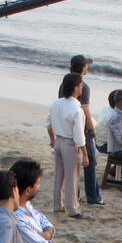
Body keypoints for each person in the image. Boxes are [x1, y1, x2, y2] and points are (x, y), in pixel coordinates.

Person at [45, 72, 90, 219]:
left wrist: (52, 140)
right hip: (70, 144)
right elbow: (79, 135)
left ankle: (58, 205)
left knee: (59, 175)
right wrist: (85, 153)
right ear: (75, 88)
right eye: (80, 85)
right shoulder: (77, 109)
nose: (82, 86)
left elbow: (48, 123)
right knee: (72, 177)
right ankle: (73, 209)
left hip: (59, 141)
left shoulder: (57, 103)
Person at [66, 55, 104, 207]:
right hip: (81, 128)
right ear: (83, 68)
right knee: (90, 162)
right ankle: (93, 197)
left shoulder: (65, 83)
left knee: (73, 164)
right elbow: (85, 109)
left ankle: (75, 194)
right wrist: (92, 128)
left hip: (67, 127)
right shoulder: (83, 86)